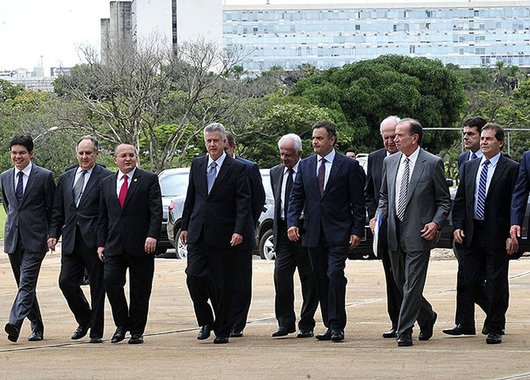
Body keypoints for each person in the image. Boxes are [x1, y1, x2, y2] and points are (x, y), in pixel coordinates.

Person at [375, 118, 451, 347]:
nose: (394, 139)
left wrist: (436, 223)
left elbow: (444, 201)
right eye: (394, 135)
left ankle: (404, 330)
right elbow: (383, 197)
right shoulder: (390, 163)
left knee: (412, 284)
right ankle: (427, 316)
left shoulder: (432, 163)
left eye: (399, 135)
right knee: (400, 282)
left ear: (414, 138)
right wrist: (378, 217)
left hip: (419, 234)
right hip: (393, 233)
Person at [288, 120, 365, 342]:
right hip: (313, 233)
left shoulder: (348, 166)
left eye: (319, 138)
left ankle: (338, 324)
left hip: (339, 232)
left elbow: (357, 203)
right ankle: (329, 324)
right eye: (313, 138)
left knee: (334, 275)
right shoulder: (305, 166)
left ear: (332, 140)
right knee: (320, 279)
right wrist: (293, 222)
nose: (314, 142)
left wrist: (357, 230)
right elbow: (296, 197)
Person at [181, 123, 251, 344]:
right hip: (197, 231)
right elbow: (191, 196)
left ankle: (222, 329)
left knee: (221, 284)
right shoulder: (197, 164)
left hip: (223, 234)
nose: (212, 145)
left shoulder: (237, 168)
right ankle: (205, 320)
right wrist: (184, 225)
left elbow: (243, 203)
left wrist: (239, 230)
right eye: (208, 141)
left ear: (223, 142)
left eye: (215, 141)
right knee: (193, 276)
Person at [452, 123, 518, 344]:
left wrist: (512, 232)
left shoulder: (511, 168)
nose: (484, 142)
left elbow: (513, 203)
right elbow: (461, 199)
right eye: (483, 139)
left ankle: (495, 327)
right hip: (472, 232)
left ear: (500, 142)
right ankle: (495, 313)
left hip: (497, 233)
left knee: (496, 280)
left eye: (489, 139)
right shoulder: (470, 167)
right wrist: (458, 225)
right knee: (469, 280)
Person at [48, 136, 112, 343]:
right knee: (66, 282)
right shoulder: (66, 178)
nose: (84, 157)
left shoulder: (106, 177)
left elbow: (107, 213)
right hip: (71, 239)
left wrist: (104, 241)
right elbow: (59, 209)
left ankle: (96, 332)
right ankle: (85, 318)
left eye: (89, 153)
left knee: (97, 287)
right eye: (81, 153)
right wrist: (53, 234)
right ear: (76, 153)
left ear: (96, 154)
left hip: (94, 241)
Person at [97, 143, 162, 344]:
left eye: (131, 155)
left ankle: (137, 330)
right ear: (115, 159)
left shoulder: (148, 180)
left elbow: (156, 211)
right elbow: (103, 216)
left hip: (142, 244)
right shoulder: (106, 182)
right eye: (123, 156)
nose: (128, 159)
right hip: (114, 244)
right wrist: (101, 243)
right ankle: (122, 323)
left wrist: (152, 235)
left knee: (140, 289)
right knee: (110, 282)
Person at [1, 135, 56, 342]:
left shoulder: (44, 176)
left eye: (22, 153)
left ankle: (15, 323)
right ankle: (37, 326)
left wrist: (52, 234)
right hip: (13, 239)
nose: (18, 156)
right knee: (25, 286)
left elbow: (52, 209)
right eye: (14, 152)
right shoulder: (4, 177)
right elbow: (10, 206)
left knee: (26, 283)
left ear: (31, 153)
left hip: (36, 239)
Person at [443, 116, 489, 337]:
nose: (465, 138)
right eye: (464, 134)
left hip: (489, 230)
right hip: (467, 230)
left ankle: (494, 314)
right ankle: (464, 323)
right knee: (464, 277)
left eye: (471, 134)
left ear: (482, 136)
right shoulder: (464, 160)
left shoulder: (502, 160)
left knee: (491, 277)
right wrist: (457, 226)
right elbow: (461, 198)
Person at [270, 133, 319, 338]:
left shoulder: (309, 170)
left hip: (304, 230)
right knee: (281, 277)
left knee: (309, 279)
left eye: (289, 155)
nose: (284, 159)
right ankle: (285, 322)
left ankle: (306, 322)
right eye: (281, 154)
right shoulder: (276, 172)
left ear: (300, 153)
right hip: (282, 232)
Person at [224, 131, 266, 338]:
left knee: (240, 280)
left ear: (232, 147)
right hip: (217, 232)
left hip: (241, 231)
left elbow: (257, 199)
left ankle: (237, 323)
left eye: (225, 148)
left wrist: (245, 224)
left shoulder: (248, 168)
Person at [365, 115, 402, 339]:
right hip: (384, 229)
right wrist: (373, 216)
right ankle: (396, 321)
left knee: (406, 277)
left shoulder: (412, 157)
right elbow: (370, 192)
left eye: (393, 137)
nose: (389, 142)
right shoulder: (375, 158)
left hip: (407, 229)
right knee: (390, 277)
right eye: (385, 137)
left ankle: (422, 316)